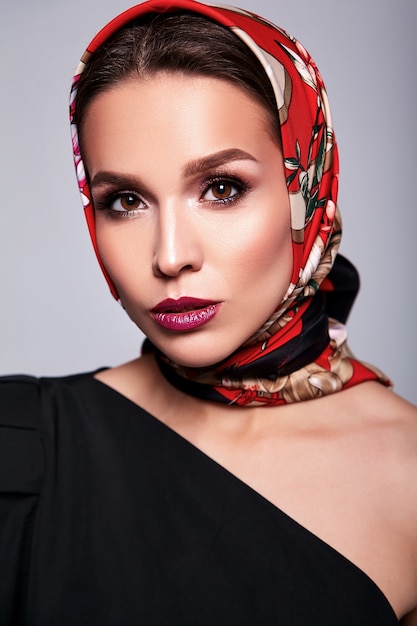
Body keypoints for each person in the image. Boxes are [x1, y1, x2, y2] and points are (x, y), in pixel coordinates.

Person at [1, 0, 416, 623]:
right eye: (125, 200)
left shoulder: (408, 475)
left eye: (221, 189)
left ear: (307, 188)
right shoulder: (22, 444)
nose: (170, 256)